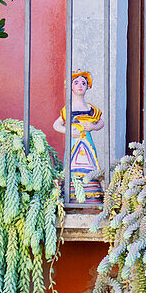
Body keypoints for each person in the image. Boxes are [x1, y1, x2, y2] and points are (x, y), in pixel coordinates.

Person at [53, 70, 104, 202]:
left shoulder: (90, 108)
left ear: (88, 86)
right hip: (74, 141)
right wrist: (68, 131)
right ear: (70, 86)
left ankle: (90, 193)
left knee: (90, 165)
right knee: (71, 164)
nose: (80, 85)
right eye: (76, 83)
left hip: (87, 141)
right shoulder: (68, 109)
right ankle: (71, 194)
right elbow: (56, 125)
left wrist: (92, 127)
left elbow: (101, 122)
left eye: (83, 83)